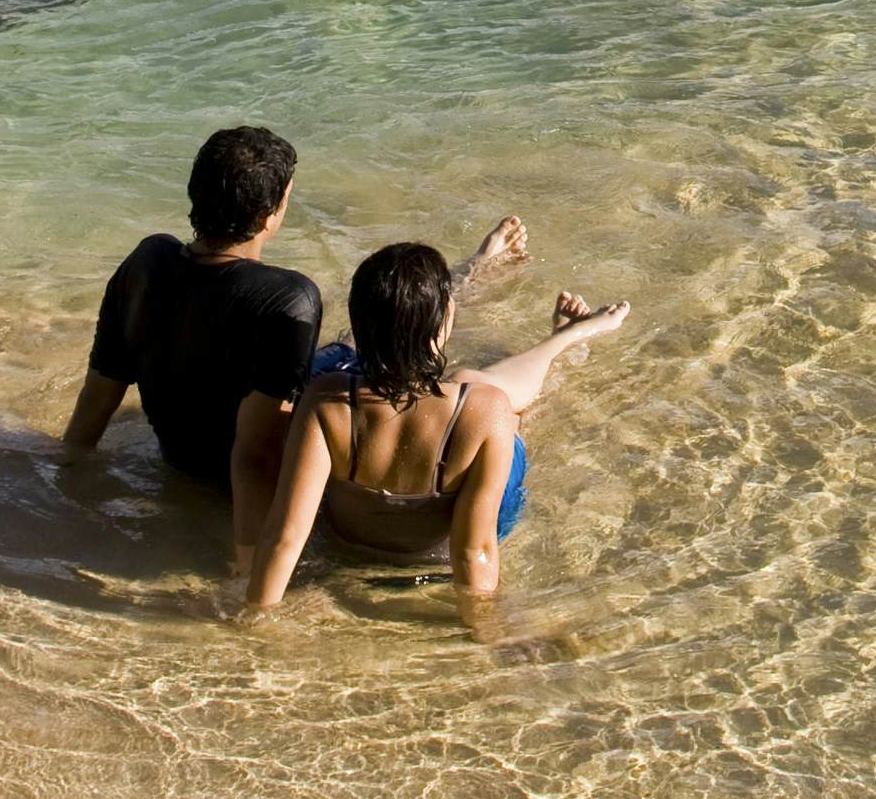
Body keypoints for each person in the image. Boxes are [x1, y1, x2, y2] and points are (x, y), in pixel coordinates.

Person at [59, 127, 522, 579]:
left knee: (360, 339)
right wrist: (247, 564)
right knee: (399, 344)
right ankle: (460, 285)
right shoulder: (286, 297)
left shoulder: (148, 259)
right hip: (260, 475)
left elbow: (101, 387)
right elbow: (255, 452)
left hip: (181, 458)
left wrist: (66, 474)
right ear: (270, 217)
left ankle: (466, 277)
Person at [244, 239, 628, 621]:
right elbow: (473, 550)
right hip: (439, 557)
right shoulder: (482, 408)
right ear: (445, 324)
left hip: (351, 549)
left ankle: (552, 334)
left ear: (360, 330)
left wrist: (255, 615)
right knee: (495, 403)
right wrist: (485, 632)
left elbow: (285, 536)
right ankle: (562, 342)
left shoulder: (325, 402)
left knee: (470, 395)